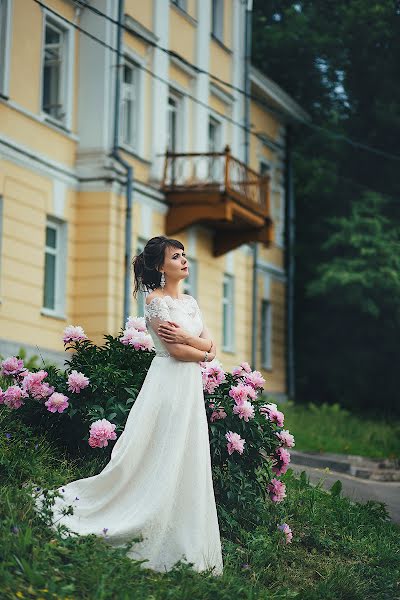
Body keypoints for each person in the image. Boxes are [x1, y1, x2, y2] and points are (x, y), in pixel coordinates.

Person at [32, 235, 224, 576]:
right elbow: (179, 354)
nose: (183, 260)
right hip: (168, 384)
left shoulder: (191, 304)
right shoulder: (155, 301)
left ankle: (180, 532)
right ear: (160, 266)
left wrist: (190, 340)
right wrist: (195, 347)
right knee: (159, 450)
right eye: (176, 256)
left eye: (184, 255)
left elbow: (211, 349)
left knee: (187, 453)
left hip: (189, 388)